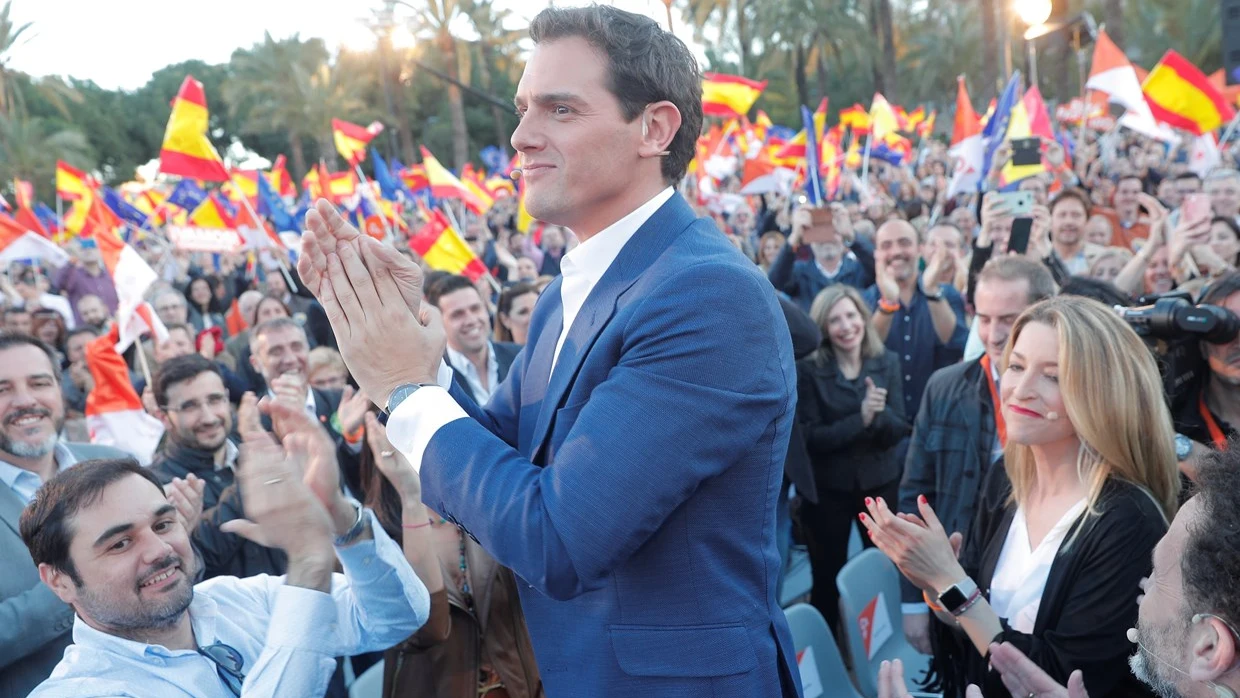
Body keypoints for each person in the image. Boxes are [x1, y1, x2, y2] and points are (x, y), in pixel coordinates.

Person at [295, 6, 802, 696]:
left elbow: (558, 540)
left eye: (560, 110)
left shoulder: (706, 296)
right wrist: (410, 345)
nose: (520, 137)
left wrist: (408, 394)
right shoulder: (573, 289)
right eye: (524, 108)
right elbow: (504, 445)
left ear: (654, 128)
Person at [19, 393, 431, 698]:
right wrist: (308, 562)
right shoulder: (77, 691)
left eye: (163, 523)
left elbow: (395, 618)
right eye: (120, 543)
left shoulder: (234, 599)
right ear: (59, 581)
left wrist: (340, 516)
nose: (159, 549)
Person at [866, 296, 1179, 697]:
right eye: (1016, 366)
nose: (1020, 389)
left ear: (1101, 394)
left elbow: (1060, 679)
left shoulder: (1129, 520)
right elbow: (975, 625)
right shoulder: (1004, 480)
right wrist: (937, 585)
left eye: (1053, 376)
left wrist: (952, 580)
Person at [899, 256, 1057, 654]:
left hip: (1036, 597)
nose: (994, 333)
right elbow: (915, 496)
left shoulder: (1071, 395)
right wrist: (913, 599)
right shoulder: (944, 386)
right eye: (983, 318)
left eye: (1009, 318)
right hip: (954, 588)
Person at [358, 413, 544, 698]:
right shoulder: (381, 535)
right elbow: (427, 629)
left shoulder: (479, 506)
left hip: (521, 685)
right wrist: (411, 498)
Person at [0, 334, 130, 698]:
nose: (25, 401)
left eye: (39, 383)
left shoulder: (118, 463)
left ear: (60, 390)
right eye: (3, 389)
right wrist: (71, 585)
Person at [795, 284, 909, 632]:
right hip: (829, 490)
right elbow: (810, 438)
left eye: (851, 315)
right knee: (826, 573)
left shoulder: (885, 361)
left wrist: (878, 415)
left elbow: (898, 429)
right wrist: (859, 419)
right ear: (823, 327)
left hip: (879, 485)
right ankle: (829, 646)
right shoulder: (810, 369)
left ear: (863, 317)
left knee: (887, 567)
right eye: (835, 320)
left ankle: (887, 640)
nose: (846, 326)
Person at [864, 218, 968, 418]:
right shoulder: (867, 299)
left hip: (940, 414)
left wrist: (930, 291)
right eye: (886, 246)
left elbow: (956, 342)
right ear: (876, 254)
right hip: (888, 423)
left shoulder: (946, 295)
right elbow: (868, 351)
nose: (896, 252)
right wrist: (888, 302)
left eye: (904, 243)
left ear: (920, 248)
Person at [148, 356, 238, 515]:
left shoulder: (259, 451)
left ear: (227, 398)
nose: (209, 418)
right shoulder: (159, 489)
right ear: (164, 417)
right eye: (190, 406)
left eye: (215, 399)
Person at [427, 275, 522, 406]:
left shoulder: (519, 357)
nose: (471, 320)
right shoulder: (434, 378)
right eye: (457, 314)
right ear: (440, 321)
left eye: (475, 308)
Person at [769, 204, 875, 311]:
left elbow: (876, 267)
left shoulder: (857, 269)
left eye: (833, 232)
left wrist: (851, 235)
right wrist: (794, 238)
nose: (826, 240)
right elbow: (776, 281)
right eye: (819, 233)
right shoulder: (800, 273)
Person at [54, 239, 118, 324]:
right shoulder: (73, 274)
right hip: (87, 330)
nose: (89, 251)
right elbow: (60, 284)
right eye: (83, 248)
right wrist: (71, 260)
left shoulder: (111, 275)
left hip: (113, 327)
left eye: (93, 247)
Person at [1048, 189, 1095, 276]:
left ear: (1087, 221)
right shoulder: (1038, 261)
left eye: (1076, 215)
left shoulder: (1101, 257)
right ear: (1050, 221)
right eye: (1062, 215)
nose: (1068, 222)